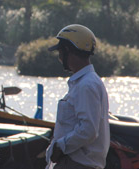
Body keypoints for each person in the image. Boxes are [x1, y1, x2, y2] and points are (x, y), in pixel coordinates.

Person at [46, 24, 110, 169]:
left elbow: (88, 130)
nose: (60, 58)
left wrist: (61, 146)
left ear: (68, 51)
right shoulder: (87, 82)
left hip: (77, 164)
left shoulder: (86, 86)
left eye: (61, 53)